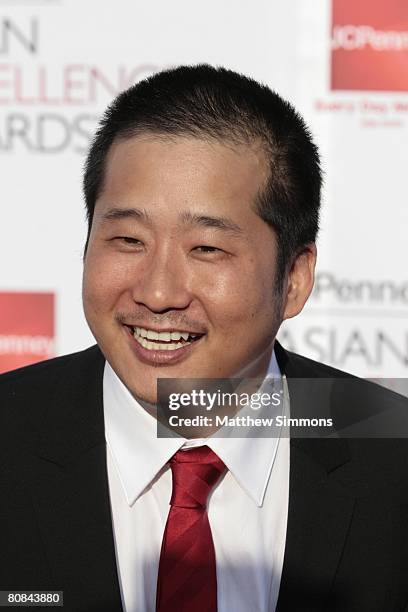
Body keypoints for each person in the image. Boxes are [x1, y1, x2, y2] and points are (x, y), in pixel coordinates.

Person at [1, 64, 407, 612]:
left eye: (207, 249)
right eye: (126, 239)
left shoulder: (391, 454)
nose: (158, 291)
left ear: (293, 279)